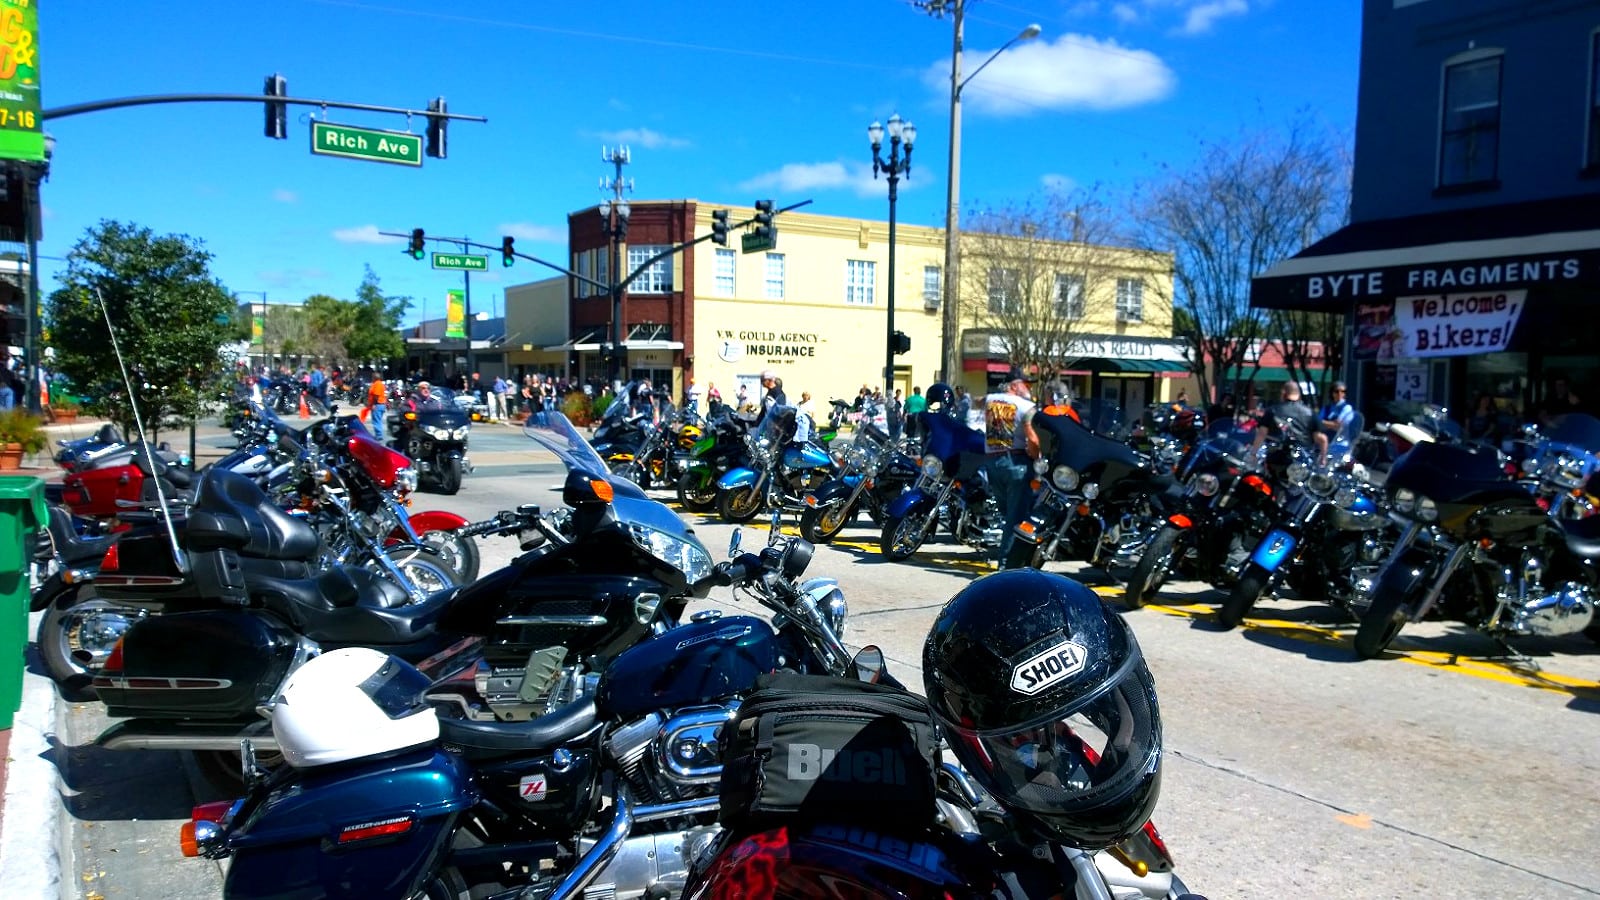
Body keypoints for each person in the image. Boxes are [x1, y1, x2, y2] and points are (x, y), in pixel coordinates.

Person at [982, 367, 1039, 566]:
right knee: (1016, 517)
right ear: (1015, 385)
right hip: (1016, 462)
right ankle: (1006, 565)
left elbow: (975, 403)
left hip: (991, 462)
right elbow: (1032, 437)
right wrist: (1036, 454)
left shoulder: (990, 400)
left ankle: (1014, 556)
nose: (1029, 388)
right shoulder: (1026, 407)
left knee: (1007, 515)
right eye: (1026, 384)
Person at [1254, 381, 1314, 453]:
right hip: (1300, 455)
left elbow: (1261, 433)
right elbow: (1322, 439)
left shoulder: (1272, 410)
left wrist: (1254, 453)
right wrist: (1323, 457)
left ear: (1283, 393)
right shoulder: (1309, 413)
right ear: (1299, 395)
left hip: (1276, 456)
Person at [1313, 381, 1356, 465]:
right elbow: (1318, 422)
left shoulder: (1347, 408)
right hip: (1325, 444)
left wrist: (1326, 423)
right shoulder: (1327, 408)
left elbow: (1339, 426)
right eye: (1336, 391)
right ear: (1332, 393)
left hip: (1340, 443)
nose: (1340, 394)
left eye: (1343, 391)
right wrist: (1331, 424)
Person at [365, 371, 388, 436]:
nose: (371, 378)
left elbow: (376, 395)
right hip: (380, 405)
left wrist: (374, 404)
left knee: (376, 421)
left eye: (372, 377)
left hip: (378, 405)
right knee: (378, 420)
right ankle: (378, 435)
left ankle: (379, 435)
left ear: (374, 377)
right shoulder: (377, 383)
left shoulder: (377, 384)